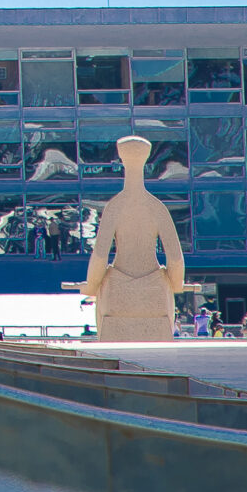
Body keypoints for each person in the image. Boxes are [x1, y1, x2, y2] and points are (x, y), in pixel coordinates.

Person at [82, 137, 188, 342]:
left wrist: (91, 285)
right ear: (147, 158)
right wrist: (175, 284)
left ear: (121, 159)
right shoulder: (157, 208)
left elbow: (100, 255)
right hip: (154, 292)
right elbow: (175, 259)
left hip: (118, 293)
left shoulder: (114, 207)